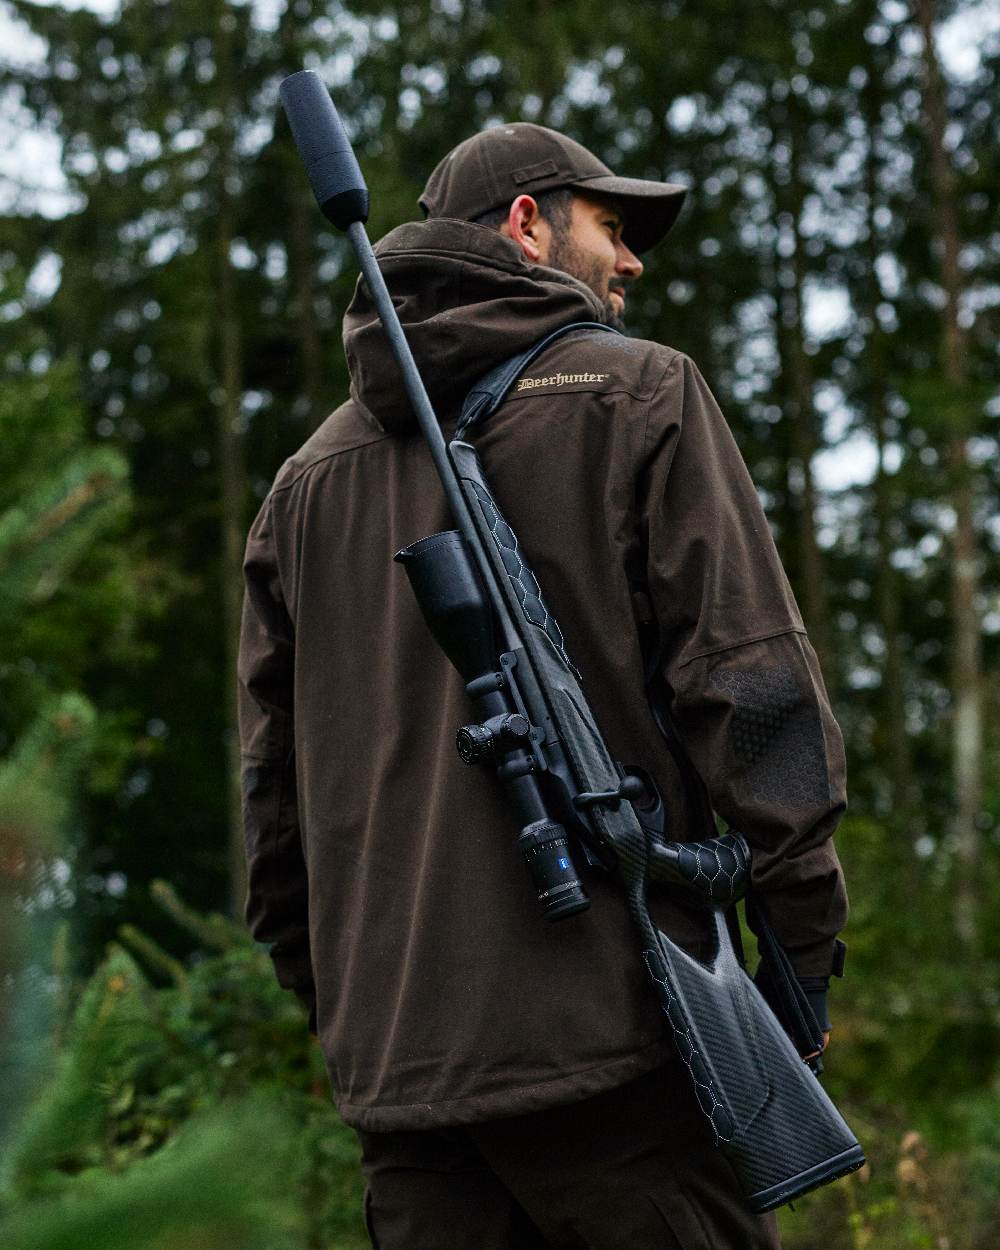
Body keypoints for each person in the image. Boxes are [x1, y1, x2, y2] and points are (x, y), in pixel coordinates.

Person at [238, 122, 849, 1249]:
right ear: (528, 223)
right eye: (612, 225)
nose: (634, 262)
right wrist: (797, 966)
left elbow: (272, 808)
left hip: (407, 1094)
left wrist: (351, 1010)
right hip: (623, 1057)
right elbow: (753, 696)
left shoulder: (301, 485)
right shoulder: (642, 394)